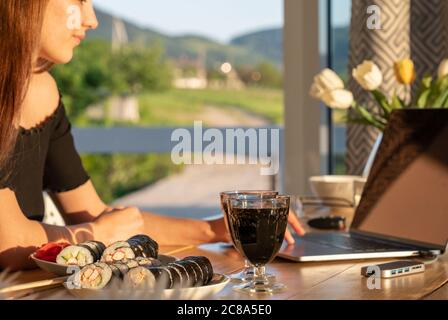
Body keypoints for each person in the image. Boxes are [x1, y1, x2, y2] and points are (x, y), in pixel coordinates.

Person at [0, 0, 304, 271]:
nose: (92, 19)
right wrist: (97, 234)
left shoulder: (44, 93)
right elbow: (8, 242)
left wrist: (215, 230)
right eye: (79, 0)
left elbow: (99, 216)